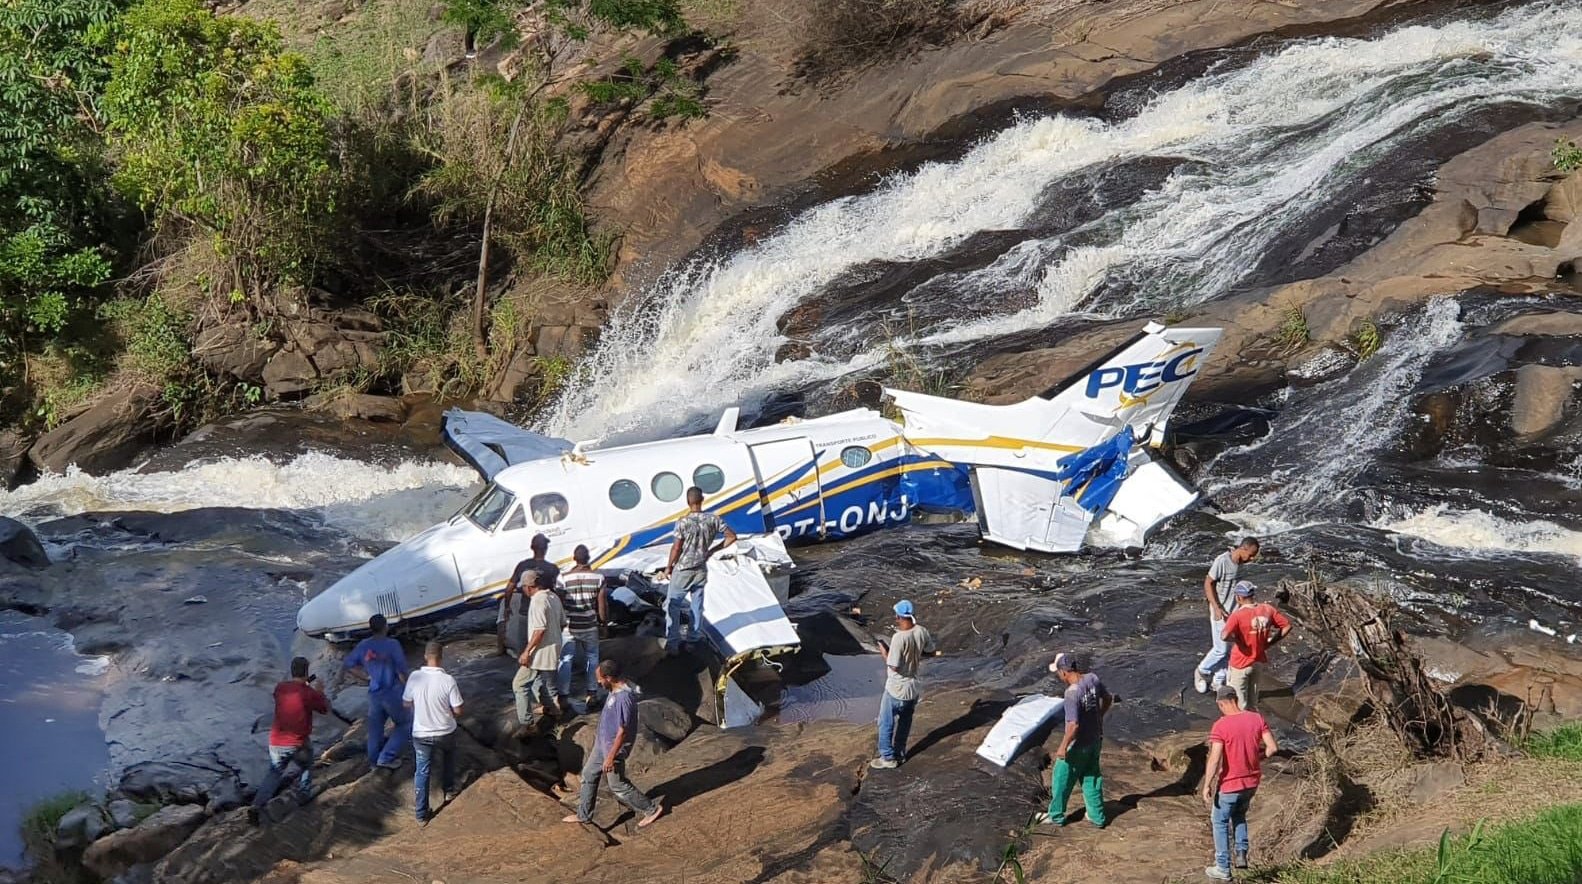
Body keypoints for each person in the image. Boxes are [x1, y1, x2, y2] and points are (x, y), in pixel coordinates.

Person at [563, 659, 664, 829]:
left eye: (600, 678)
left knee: (617, 785)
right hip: (602, 744)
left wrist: (610, 757)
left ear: (609, 677)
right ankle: (584, 814)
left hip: (613, 749)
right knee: (588, 774)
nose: (598, 682)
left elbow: (622, 731)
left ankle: (651, 808)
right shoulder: (613, 690)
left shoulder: (624, 699)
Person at [1202, 685, 1279, 879]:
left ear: (1221, 704)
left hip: (1230, 783)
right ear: (1236, 699)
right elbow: (1272, 748)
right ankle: (1242, 853)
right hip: (1252, 781)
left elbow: (1214, 758)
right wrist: (1257, 758)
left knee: (1219, 821)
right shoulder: (1256, 718)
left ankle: (1223, 867)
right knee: (1239, 815)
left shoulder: (1221, 725)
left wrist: (1207, 784)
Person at [1040, 652, 1113, 828]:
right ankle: (1097, 817)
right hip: (1095, 739)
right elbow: (1108, 698)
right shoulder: (1092, 679)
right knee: (1092, 777)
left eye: (1057, 672)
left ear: (1064, 672)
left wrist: (1062, 747)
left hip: (1077, 745)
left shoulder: (1072, 694)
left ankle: (1056, 816)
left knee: (1061, 777)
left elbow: (1073, 725)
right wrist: (1099, 716)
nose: (1058, 676)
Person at [660, 487, 736, 655]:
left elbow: (676, 547)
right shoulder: (714, 519)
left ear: (688, 502)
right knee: (697, 605)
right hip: (701, 568)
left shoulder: (683, 522)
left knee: (672, 605)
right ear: (702, 499)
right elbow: (731, 536)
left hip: (683, 569)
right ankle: (692, 640)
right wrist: (711, 551)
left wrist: (668, 567)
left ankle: (673, 643)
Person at [252, 657, 328, 817]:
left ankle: (257, 805)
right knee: (306, 765)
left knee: (274, 773)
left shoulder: (280, 688)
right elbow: (323, 708)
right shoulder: (308, 693)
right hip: (297, 743)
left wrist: (304, 685)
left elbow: (291, 694)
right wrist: (320, 692)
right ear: (307, 672)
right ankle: (304, 793)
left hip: (276, 741)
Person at [403, 641, 464, 826]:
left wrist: (419, 707)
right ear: (441, 657)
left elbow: (406, 703)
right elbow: (459, 710)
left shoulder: (414, 677)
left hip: (421, 735)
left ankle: (421, 815)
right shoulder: (448, 680)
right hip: (445, 731)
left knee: (422, 771)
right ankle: (449, 790)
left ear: (425, 656)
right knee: (449, 757)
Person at [339, 614, 410, 769]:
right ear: (386, 627)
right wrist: (410, 691)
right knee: (405, 724)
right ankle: (386, 757)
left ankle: (373, 762)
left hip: (374, 693)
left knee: (375, 729)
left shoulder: (364, 645)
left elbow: (349, 664)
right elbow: (402, 671)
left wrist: (366, 678)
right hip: (392, 692)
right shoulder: (393, 644)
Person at [870, 599, 935, 770]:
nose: (895, 619)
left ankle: (887, 758)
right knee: (905, 722)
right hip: (913, 688)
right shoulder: (922, 631)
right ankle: (900, 753)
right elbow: (930, 652)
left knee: (886, 723)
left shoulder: (898, 638)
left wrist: (885, 652)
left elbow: (894, 666)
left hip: (896, 688)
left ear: (899, 616)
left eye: (896, 616)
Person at [1194, 538, 1260, 694]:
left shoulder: (1242, 565)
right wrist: (1216, 607)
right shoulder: (1222, 561)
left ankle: (1218, 681)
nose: (1251, 559)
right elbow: (1208, 583)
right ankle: (1202, 671)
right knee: (1220, 649)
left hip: (1236, 612)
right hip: (1221, 612)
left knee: (1231, 649)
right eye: (1250, 555)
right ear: (1243, 549)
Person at [1221, 581, 1291, 710]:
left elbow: (1224, 636)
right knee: (1253, 701)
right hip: (1257, 660)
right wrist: (1270, 643)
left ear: (1238, 597)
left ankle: (1242, 728)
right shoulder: (1267, 609)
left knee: (1238, 703)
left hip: (1240, 662)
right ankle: (1254, 725)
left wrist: (1237, 640)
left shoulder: (1237, 615)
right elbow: (1286, 626)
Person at [513, 572, 567, 730]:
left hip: (539, 653)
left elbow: (539, 630)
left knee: (519, 684)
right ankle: (552, 708)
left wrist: (527, 652)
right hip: (554, 648)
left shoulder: (537, 601)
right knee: (538, 683)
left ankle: (527, 725)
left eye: (523, 587)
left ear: (529, 587)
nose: (523, 590)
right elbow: (562, 623)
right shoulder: (553, 597)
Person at [559, 545, 609, 709]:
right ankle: (592, 693)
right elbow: (601, 605)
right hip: (589, 625)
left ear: (574, 558)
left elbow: (559, 604)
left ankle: (563, 696)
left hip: (569, 626)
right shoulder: (599, 578)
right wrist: (604, 624)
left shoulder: (563, 579)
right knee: (592, 659)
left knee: (566, 660)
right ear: (588, 559)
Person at [499, 534, 560, 655]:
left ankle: (523, 667)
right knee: (542, 647)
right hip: (543, 613)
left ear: (532, 548)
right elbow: (556, 592)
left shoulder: (522, 565)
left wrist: (507, 607)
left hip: (525, 612)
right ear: (546, 549)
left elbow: (510, 587)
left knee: (523, 646)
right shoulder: (552, 568)